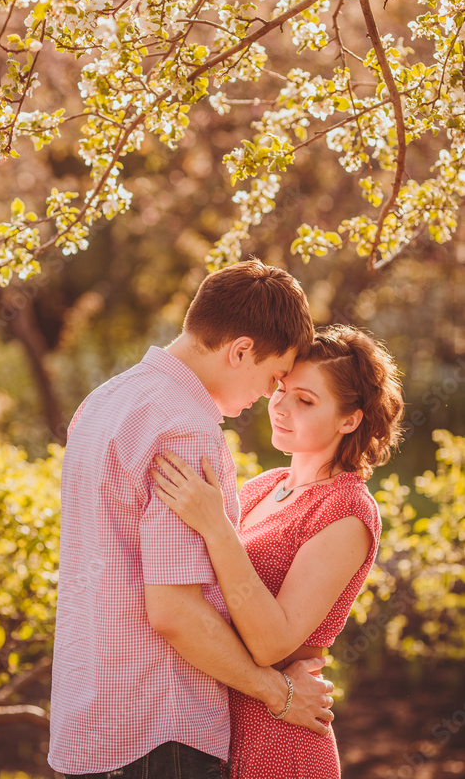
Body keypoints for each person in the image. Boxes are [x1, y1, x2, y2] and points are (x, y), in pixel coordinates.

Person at [48, 259, 336, 779]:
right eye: (272, 377)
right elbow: (174, 612)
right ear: (240, 350)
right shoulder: (187, 430)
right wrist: (279, 693)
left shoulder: (102, 402)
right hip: (160, 733)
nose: (264, 397)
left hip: (87, 727)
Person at [151, 324, 404, 778]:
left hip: (281, 740)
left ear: (350, 419)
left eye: (305, 401)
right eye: (281, 390)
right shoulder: (262, 488)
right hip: (215, 725)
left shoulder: (347, 512)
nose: (282, 407)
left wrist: (216, 527)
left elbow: (271, 643)